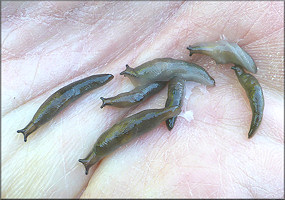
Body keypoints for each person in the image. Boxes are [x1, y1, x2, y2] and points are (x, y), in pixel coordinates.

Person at [1, 1, 283, 198]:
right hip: (157, 91)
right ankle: (40, 131)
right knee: (140, 107)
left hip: (168, 87)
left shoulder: (177, 79)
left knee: (154, 97)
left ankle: (81, 143)